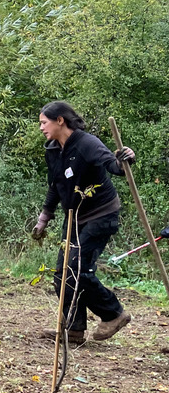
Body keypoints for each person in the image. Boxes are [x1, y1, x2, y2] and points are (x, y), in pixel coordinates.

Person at [30, 100, 135, 345]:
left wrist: (124, 158)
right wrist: (44, 218)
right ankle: (74, 329)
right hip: (74, 218)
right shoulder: (52, 149)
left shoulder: (87, 143)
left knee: (78, 270)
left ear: (60, 121)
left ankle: (114, 314)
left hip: (101, 215)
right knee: (61, 274)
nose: (41, 128)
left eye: (44, 122)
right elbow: (56, 185)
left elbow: (113, 165)